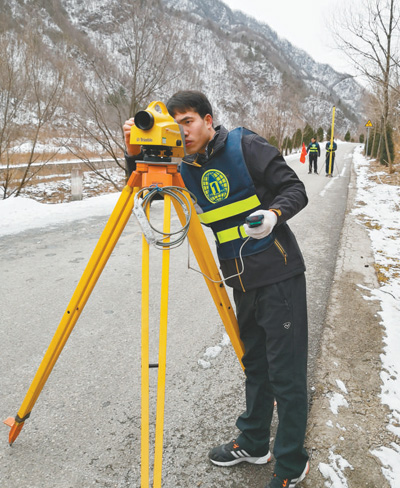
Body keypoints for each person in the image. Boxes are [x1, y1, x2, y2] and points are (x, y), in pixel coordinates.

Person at [123, 91, 309, 488]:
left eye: (187, 121)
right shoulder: (183, 167)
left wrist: (275, 215)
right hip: (240, 279)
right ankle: (255, 442)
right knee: (255, 365)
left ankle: (292, 463)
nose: (181, 130)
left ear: (208, 120)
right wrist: (134, 153)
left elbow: (295, 188)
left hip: (278, 274)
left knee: (286, 374)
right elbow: (144, 196)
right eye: (175, 123)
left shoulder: (246, 145)